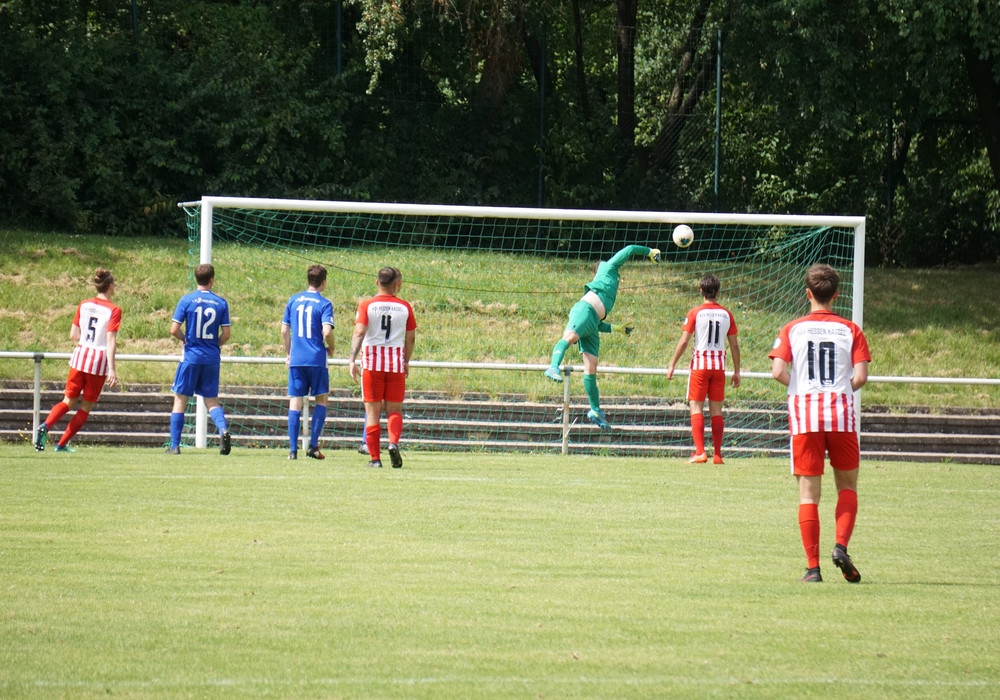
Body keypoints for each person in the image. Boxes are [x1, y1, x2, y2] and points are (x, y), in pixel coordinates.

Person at [769, 264, 871, 583]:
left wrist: (798, 387)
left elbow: (777, 371)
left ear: (808, 293)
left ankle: (813, 569)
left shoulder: (792, 328)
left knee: (808, 495)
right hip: (840, 415)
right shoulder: (851, 330)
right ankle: (840, 547)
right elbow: (861, 377)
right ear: (836, 295)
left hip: (806, 416)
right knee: (847, 487)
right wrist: (839, 390)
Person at [543, 244, 660, 430]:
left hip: (593, 322)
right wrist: (649, 252)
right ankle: (553, 367)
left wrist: (617, 329)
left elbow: (599, 324)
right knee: (570, 336)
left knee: (591, 368)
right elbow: (629, 249)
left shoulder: (609, 287)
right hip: (585, 310)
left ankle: (595, 410)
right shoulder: (608, 268)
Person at [34, 268, 121, 453]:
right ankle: (62, 444)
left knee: (68, 401)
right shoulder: (114, 310)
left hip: (79, 357)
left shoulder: (84, 304)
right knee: (85, 407)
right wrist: (112, 369)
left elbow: (73, 334)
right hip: (97, 362)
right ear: (111, 287)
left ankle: (46, 425)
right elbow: (111, 339)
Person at [667, 274, 741, 464]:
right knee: (716, 409)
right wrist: (737, 371)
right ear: (717, 292)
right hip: (719, 368)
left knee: (696, 406)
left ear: (701, 291)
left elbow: (684, 341)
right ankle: (717, 454)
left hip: (700, 366)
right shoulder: (727, 314)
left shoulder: (695, 313)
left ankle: (700, 452)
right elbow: (734, 346)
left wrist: (672, 364)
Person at [348, 267, 416, 468]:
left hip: (371, 363)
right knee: (394, 410)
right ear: (396, 285)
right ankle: (393, 443)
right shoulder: (404, 307)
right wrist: (406, 360)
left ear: (377, 283)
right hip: (395, 364)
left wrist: (352, 359)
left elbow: (359, 333)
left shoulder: (367, 305)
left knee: (372, 412)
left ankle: (375, 459)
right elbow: (410, 337)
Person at [167, 263, 232, 455]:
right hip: (211, 358)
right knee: (211, 400)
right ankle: (223, 429)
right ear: (212, 280)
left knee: (180, 400)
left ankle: (174, 446)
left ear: (197, 279)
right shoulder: (221, 303)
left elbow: (173, 330)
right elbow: (226, 334)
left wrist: (185, 339)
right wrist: (214, 345)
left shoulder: (186, 300)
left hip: (191, 357)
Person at [281, 264, 335, 460]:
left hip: (297, 359)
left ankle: (292, 450)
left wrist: (289, 353)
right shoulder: (324, 303)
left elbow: (284, 331)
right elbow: (327, 331)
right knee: (321, 400)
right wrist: (331, 346)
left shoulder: (293, 300)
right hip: (316, 359)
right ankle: (313, 446)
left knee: (295, 402)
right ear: (323, 282)